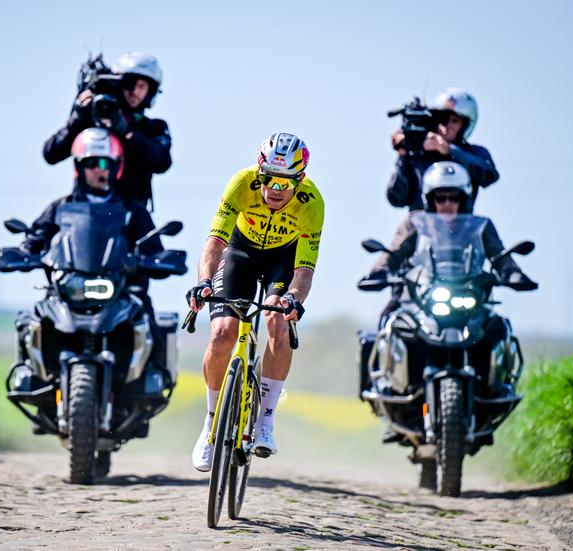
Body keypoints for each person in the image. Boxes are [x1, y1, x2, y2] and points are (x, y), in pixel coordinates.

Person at [186, 133, 325, 471]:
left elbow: (304, 270)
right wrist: (203, 282)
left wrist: (294, 298)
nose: (276, 189)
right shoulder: (241, 183)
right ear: (259, 172)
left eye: (286, 182)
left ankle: (265, 420)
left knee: (278, 320)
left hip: (282, 260)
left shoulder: (312, 203)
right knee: (222, 332)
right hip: (240, 254)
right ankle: (210, 425)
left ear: (300, 179)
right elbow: (214, 243)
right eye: (269, 180)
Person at [22, 127, 171, 382]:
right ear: (78, 167)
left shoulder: (131, 210)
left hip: (118, 291)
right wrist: (24, 252)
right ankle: (33, 376)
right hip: (68, 290)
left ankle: (153, 379)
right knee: (32, 320)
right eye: (91, 163)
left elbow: (154, 249)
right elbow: (36, 237)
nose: (99, 169)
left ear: (117, 167)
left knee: (148, 319)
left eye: (105, 163)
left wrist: (157, 260)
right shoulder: (60, 207)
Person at [364, 161, 537, 325]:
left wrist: (513, 273)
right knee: (389, 325)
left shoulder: (480, 226)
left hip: (470, 296)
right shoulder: (416, 223)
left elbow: (499, 256)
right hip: (419, 296)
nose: (447, 204)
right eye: (441, 198)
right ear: (430, 200)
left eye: (454, 198)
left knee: (500, 329)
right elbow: (394, 251)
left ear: (463, 200)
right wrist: (380, 271)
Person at [42, 52, 172, 209]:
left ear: (151, 91)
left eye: (141, 86)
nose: (134, 92)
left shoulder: (154, 127)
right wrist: (79, 117)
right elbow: (51, 154)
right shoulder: (91, 119)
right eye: (129, 84)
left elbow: (161, 162)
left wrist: (125, 131)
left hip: (131, 220)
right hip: (83, 218)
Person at [387, 88, 499, 211]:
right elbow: (396, 199)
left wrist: (449, 150)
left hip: (462, 228)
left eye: (454, 121)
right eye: (442, 119)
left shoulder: (474, 152)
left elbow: (490, 176)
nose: (447, 126)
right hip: (421, 228)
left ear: (464, 126)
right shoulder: (417, 154)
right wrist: (403, 155)